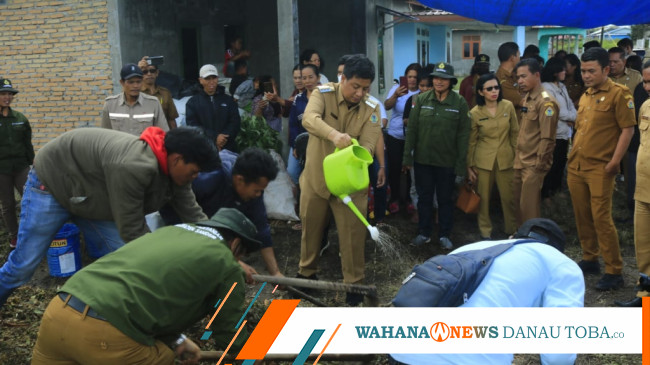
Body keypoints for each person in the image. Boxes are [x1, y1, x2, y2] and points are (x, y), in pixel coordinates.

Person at [0, 126, 220, 307]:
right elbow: (133, 230)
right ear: (178, 159)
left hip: (89, 196)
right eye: (194, 171)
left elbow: (194, 214)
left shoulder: (176, 174)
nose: (195, 176)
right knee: (23, 266)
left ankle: (102, 311)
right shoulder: (134, 166)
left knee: (122, 257)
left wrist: (221, 251)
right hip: (53, 182)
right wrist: (164, 268)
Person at [31, 208, 259, 364]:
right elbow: (229, 332)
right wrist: (252, 355)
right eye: (242, 254)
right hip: (106, 334)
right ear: (236, 243)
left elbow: (154, 292)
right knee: (164, 358)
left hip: (59, 311)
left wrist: (179, 340)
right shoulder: (226, 265)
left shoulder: (174, 231)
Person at [389, 218, 584, 365]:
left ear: (512, 237)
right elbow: (559, 352)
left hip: (401, 352)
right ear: (558, 250)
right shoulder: (562, 264)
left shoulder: (473, 248)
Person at [297, 54, 381, 306]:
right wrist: (334, 135)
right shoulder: (322, 94)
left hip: (349, 184)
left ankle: (354, 285)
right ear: (343, 79)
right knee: (310, 228)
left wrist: (353, 149)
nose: (359, 93)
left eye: (365, 88)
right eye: (355, 86)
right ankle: (306, 275)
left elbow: (368, 145)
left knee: (353, 235)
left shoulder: (372, 109)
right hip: (317, 178)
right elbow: (309, 119)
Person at [567, 47, 635, 291]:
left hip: (601, 168)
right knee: (582, 214)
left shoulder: (620, 94)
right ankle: (590, 258)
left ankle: (614, 270)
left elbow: (628, 129)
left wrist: (615, 162)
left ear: (606, 69)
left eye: (591, 71)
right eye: (583, 71)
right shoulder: (586, 95)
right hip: (577, 165)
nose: (585, 75)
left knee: (601, 218)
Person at [160, 147, 283, 281]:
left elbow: (261, 228)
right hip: (180, 224)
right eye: (256, 190)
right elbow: (172, 205)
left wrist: (275, 273)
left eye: (261, 191)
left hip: (209, 229)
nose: (259, 195)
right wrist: (233, 261)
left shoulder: (253, 190)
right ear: (240, 180)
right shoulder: (207, 179)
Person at [402, 62, 470, 249]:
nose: (439, 82)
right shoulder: (421, 100)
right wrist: (407, 158)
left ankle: (445, 234)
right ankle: (424, 233)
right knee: (424, 199)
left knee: (445, 199)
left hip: (447, 162)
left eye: (444, 78)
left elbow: (464, 136)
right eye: (436, 78)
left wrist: (460, 165)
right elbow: (412, 130)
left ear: (451, 81)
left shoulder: (459, 103)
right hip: (423, 161)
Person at [466, 73, 519, 239]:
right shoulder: (475, 112)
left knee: (509, 198)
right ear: (481, 92)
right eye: (489, 89)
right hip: (483, 162)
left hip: (506, 159)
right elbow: (471, 141)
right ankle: (485, 232)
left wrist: (518, 157)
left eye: (496, 87)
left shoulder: (508, 106)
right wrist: (469, 166)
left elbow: (514, 133)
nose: (494, 91)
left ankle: (512, 230)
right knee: (483, 200)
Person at [616, 63, 650, 307]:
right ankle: (644, 294)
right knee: (643, 246)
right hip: (643, 189)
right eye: (645, 82)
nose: (647, 88)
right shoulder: (646, 106)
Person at [512, 58, 559, 225]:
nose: (520, 81)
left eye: (523, 76)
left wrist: (539, 164)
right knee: (518, 206)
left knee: (529, 209)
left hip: (533, 164)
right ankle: (520, 239)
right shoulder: (527, 99)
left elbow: (547, 138)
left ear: (537, 75)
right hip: (520, 160)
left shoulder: (546, 102)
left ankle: (531, 241)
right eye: (518, 77)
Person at [0, 79, 34, 249]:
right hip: (2, 169)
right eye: (3, 94)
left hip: (21, 166)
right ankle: (15, 237)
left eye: (9, 94)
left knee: (31, 198)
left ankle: (33, 233)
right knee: (8, 204)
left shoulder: (20, 118)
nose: (7, 97)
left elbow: (28, 145)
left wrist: (32, 164)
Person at [384, 63, 421, 215]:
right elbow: (386, 106)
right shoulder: (397, 88)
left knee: (411, 169)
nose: (412, 80)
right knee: (394, 168)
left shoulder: (422, 91)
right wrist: (395, 95)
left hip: (413, 137)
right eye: (409, 76)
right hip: (395, 135)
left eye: (415, 77)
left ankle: (409, 199)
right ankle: (394, 199)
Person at [541, 58, 577, 202]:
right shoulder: (545, 88)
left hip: (565, 131)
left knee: (561, 162)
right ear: (555, 72)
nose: (565, 72)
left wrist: (574, 116)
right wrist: (573, 117)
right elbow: (557, 111)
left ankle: (556, 189)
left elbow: (570, 106)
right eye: (562, 70)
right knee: (551, 164)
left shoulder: (562, 86)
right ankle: (546, 193)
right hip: (554, 132)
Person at [100, 63, 168, 136]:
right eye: (131, 82)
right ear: (122, 82)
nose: (135, 86)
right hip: (119, 147)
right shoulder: (110, 104)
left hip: (143, 147)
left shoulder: (153, 103)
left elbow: (163, 134)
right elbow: (105, 135)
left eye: (138, 82)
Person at [186, 64, 241, 152]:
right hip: (204, 150)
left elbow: (235, 122)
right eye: (207, 78)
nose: (211, 81)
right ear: (200, 80)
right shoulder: (193, 103)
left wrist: (223, 138)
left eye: (214, 78)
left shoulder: (228, 100)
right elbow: (193, 126)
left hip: (228, 148)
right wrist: (214, 137)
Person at [287, 64, 319, 185]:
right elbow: (293, 124)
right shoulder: (298, 99)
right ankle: (299, 202)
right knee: (292, 173)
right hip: (299, 144)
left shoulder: (326, 97)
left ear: (318, 77)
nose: (307, 81)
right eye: (304, 78)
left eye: (310, 77)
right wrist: (296, 146)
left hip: (319, 144)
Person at [138, 56, 179, 129]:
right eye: (145, 72)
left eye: (152, 71)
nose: (149, 74)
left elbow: (171, 119)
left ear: (157, 73)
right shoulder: (135, 93)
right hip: (142, 135)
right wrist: (137, 70)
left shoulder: (165, 93)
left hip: (162, 135)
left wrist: (175, 138)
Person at [496, 42, 524, 122]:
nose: (520, 58)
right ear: (512, 58)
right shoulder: (502, 80)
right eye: (518, 55)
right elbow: (522, 101)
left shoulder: (514, 75)